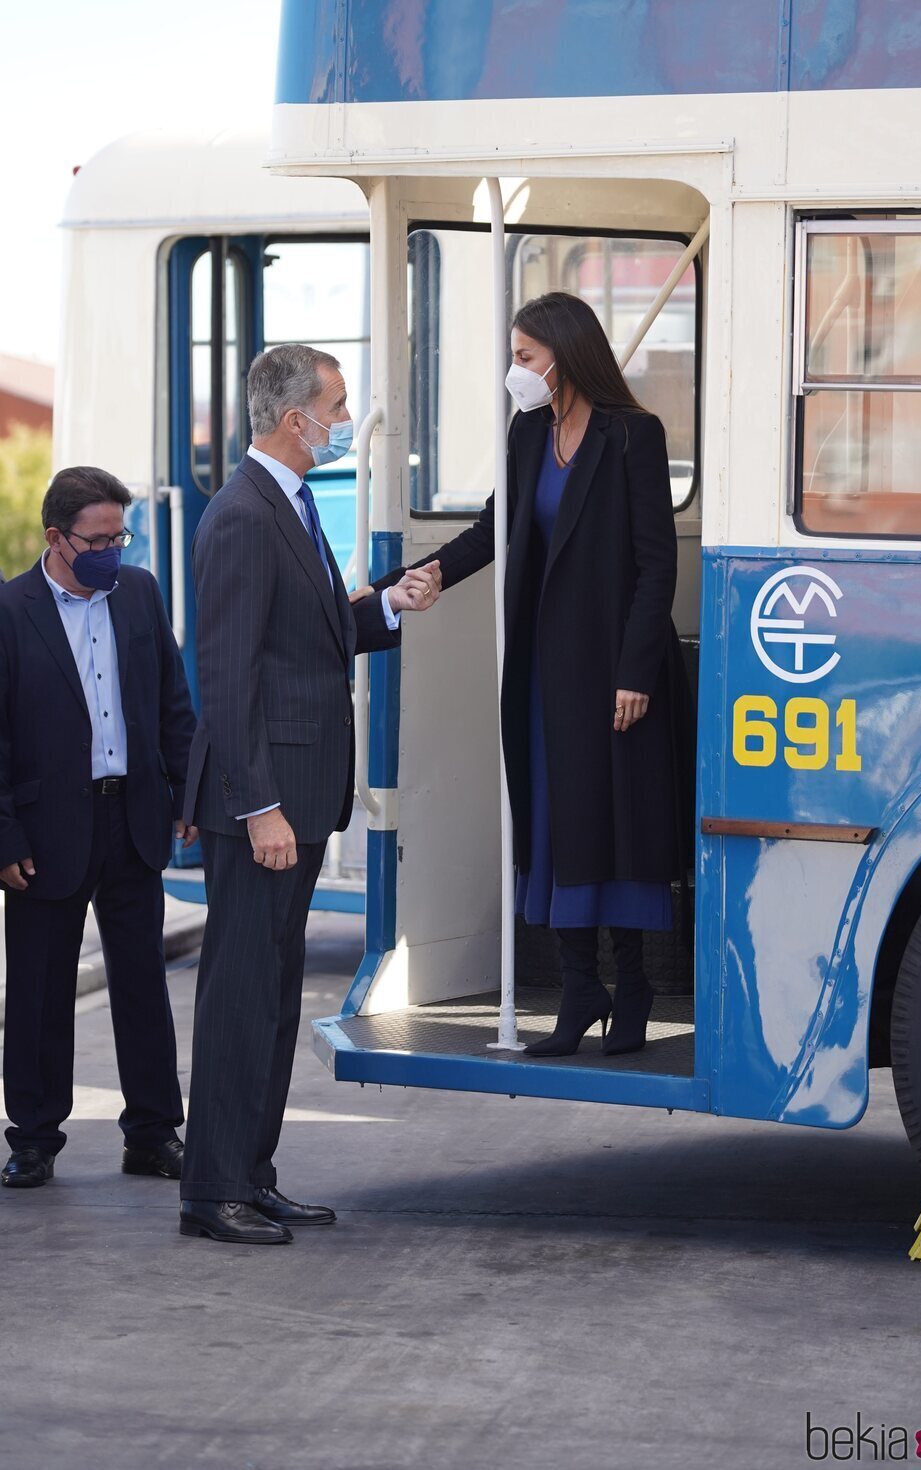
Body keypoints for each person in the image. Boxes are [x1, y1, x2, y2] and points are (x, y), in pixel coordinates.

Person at [371, 291, 693, 1058]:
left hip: (616, 671)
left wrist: (636, 671)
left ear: (563, 355)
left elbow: (658, 564)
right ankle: (581, 988)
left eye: (523, 357)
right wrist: (425, 575)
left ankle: (633, 984)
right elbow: (495, 530)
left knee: (614, 825)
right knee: (557, 819)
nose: (514, 372)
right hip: (548, 670)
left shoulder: (631, 436)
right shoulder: (527, 433)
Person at [178, 343, 441, 1246]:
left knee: (275, 997)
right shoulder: (244, 517)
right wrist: (258, 808)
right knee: (239, 998)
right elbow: (226, 672)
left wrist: (391, 605)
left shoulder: (285, 505)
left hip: (295, 793)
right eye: (334, 409)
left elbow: (315, 637)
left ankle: (253, 1175)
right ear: (294, 421)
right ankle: (211, 1189)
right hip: (266, 804)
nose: (341, 424)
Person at [0, 466, 196, 1188]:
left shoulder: (139, 593)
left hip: (134, 817)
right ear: (57, 538)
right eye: (100, 538)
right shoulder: (11, 610)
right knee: (40, 990)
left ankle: (151, 1133)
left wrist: (188, 795)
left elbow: (173, 701)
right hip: (47, 833)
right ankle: (32, 1138)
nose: (115, 548)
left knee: (143, 984)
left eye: (122, 534)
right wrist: (5, 837)